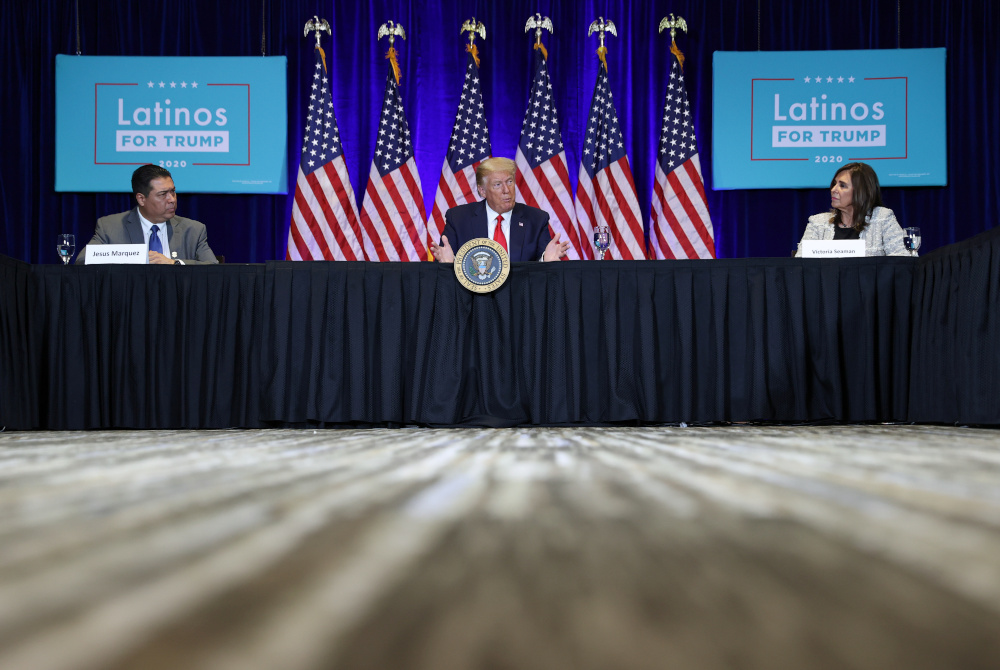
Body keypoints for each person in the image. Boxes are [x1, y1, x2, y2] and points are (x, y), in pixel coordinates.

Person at [430, 157, 570, 263]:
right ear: (482, 191)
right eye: (497, 185)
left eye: (509, 182)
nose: (506, 190)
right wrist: (449, 264)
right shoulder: (459, 218)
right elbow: (445, 262)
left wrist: (546, 260)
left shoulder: (536, 219)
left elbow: (543, 270)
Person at [76, 164, 218, 265]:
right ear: (141, 199)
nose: (171, 199)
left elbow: (213, 267)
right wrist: (134, 259)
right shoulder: (110, 227)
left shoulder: (193, 230)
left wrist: (174, 263)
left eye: (173, 192)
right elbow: (82, 261)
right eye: (163, 194)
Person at [795, 162, 910, 257]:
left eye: (842, 185)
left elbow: (903, 261)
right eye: (834, 184)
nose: (833, 189)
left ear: (861, 192)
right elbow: (800, 265)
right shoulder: (818, 223)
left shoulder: (882, 218)